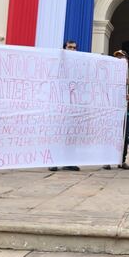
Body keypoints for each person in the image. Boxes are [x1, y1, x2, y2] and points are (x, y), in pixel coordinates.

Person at [49, 40, 81, 172]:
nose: (72, 50)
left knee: (71, 135)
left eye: (74, 48)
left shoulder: (79, 64)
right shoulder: (57, 62)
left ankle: (69, 161)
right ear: (64, 48)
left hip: (73, 105)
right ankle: (53, 161)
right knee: (57, 134)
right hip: (59, 105)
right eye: (69, 47)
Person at [104, 50, 129, 170]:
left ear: (126, 60)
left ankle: (121, 160)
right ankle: (107, 160)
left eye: (122, 57)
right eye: (117, 58)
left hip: (126, 110)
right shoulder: (108, 73)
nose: (119, 60)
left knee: (124, 136)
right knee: (110, 135)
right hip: (111, 110)